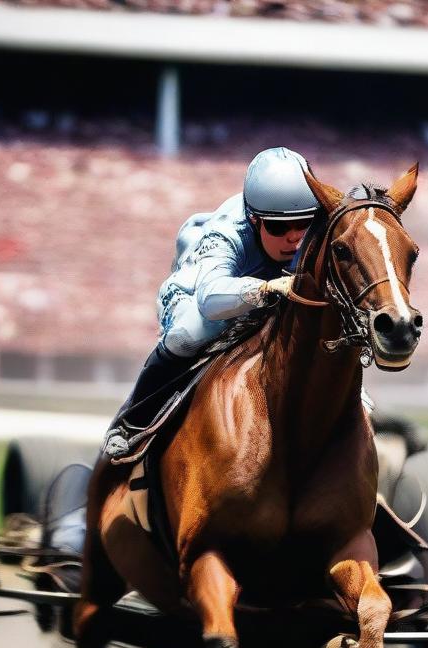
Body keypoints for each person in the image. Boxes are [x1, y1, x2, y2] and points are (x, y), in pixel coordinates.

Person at [102, 147, 317, 456]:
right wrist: (265, 290)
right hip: (199, 292)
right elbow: (209, 299)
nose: (294, 238)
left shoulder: (321, 219)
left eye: (303, 223)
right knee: (188, 333)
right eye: (279, 227)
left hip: (276, 286)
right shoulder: (227, 232)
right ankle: (131, 420)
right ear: (254, 220)